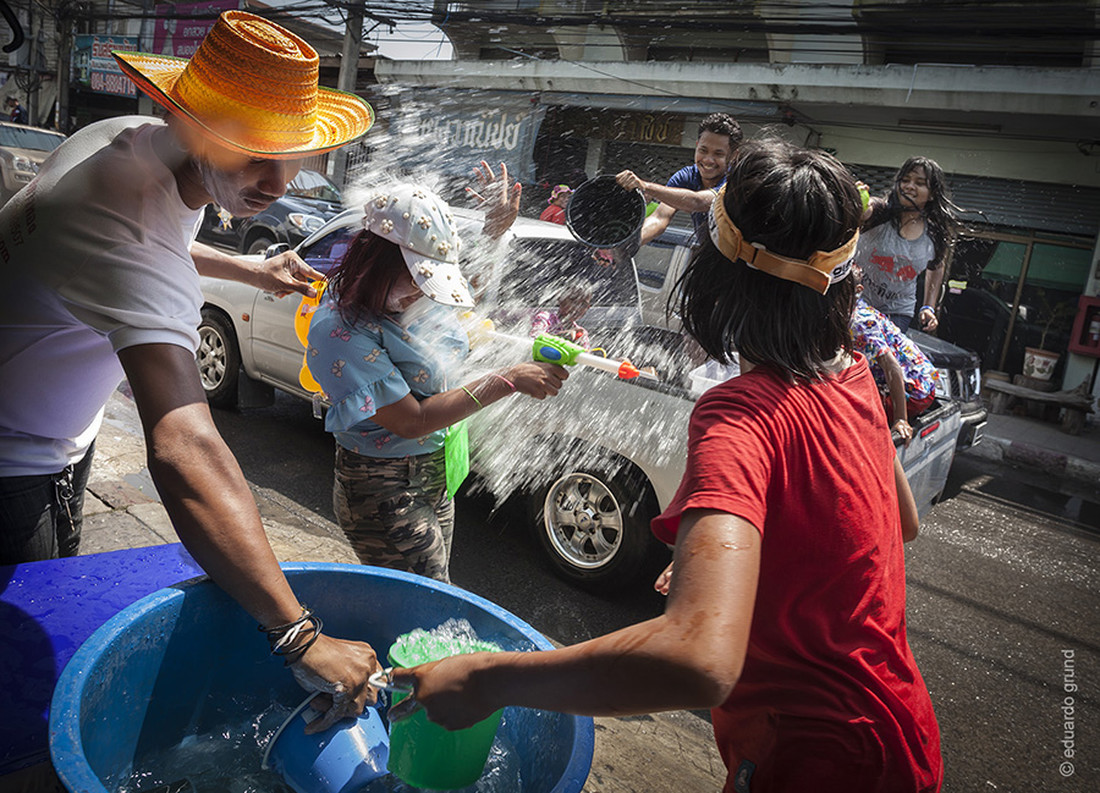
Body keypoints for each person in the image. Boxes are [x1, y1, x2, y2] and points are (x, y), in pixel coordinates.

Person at [387, 138, 942, 793]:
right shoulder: (848, 374)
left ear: (715, 273)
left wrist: (488, 678)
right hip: (902, 732)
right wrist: (737, 553)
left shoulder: (740, 414)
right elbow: (894, 522)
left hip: (817, 760)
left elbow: (699, 658)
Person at [0, 11, 381, 733]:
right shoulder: (124, 215)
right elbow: (183, 447)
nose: (275, 180)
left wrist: (247, 267)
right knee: (21, 697)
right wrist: (301, 634)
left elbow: (158, 249)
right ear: (184, 115)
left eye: (291, 152)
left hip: (48, 434)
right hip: (13, 465)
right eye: (249, 151)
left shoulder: (119, 142)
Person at [306, 174, 569, 585]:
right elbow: (412, 421)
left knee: (429, 590)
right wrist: (507, 380)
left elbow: (466, 301)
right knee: (425, 602)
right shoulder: (340, 330)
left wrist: (493, 234)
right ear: (376, 262)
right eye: (414, 277)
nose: (421, 292)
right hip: (383, 486)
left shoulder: (416, 298)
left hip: (436, 472)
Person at [853, 156, 960, 332]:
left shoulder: (935, 233)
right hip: (855, 299)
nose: (909, 186)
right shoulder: (881, 212)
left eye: (919, 183)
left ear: (932, 193)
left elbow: (937, 266)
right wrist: (858, 201)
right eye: (905, 180)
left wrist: (928, 307)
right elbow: (864, 212)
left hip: (897, 311)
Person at [615, 112, 742, 245]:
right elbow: (660, 217)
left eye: (718, 154)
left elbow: (698, 202)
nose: (708, 160)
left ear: (734, 155)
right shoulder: (686, 177)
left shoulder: (736, 180)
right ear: (697, 145)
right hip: (707, 254)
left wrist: (645, 186)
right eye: (703, 150)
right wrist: (626, 245)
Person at [851, 268, 939, 445]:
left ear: (858, 290)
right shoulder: (854, 307)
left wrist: (900, 419)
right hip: (922, 379)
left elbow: (892, 366)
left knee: (853, 419)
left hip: (915, 391)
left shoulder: (858, 323)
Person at [530, 282, 592, 348]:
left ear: (588, 308)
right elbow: (534, 338)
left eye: (583, 305)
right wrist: (561, 337)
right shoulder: (545, 318)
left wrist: (581, 347)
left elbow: (585, 355)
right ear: (560, 299)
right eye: (573, 300)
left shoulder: (581, 334)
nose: (577, 307)